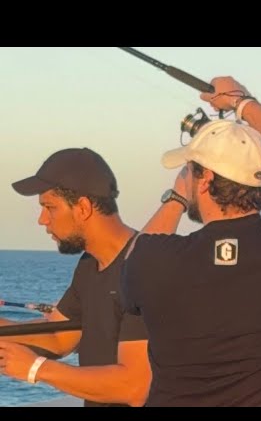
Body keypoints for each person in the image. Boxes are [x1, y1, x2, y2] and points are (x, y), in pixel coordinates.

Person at [120, 76, 261, 406]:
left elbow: (132, 260)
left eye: (191, 170)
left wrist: (175, 197)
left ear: (206, 180)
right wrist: (243, 102)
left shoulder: (156, 259)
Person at [0, 148, 151, 407]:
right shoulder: (89, 264)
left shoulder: (146, 268)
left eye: (49, 207)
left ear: (82, 207)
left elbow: (135, 386)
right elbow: (58, 338)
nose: (42, 220)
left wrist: (36, 369)